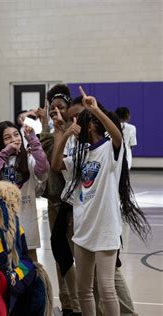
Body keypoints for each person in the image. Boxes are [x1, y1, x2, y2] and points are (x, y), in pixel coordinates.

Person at [51, 87, 150, 316]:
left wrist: (96, 109)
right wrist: (64, 133)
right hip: (83, 228)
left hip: (105, 229)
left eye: (80, 120)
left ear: (91, 125)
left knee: (107, 288)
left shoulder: (109, 149)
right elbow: (55, 165)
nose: (74, 123)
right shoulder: (80, 153)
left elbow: (116, 135)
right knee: (84, 289)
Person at [38, 84, 82, 315]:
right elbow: (49, 161)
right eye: (52, 108)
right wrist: (51, 128)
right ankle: (68, 304)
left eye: (61, 107)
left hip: (79, 204)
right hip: (56, 203)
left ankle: (85, 301)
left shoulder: (80, 130)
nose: (57, 111)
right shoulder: (48, 134)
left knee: (81, 255)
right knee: (61, 255)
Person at [0, 121, 49, 262]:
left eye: (16, 135)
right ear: (1, 142)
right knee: (7, 267)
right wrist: (3, 155)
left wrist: (33, 140)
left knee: (31, 266)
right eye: (7, 138)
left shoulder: (29, 159)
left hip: (27, 223)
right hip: (3, 225)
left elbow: (43, 170)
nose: (14, 140)